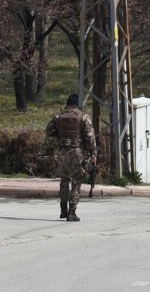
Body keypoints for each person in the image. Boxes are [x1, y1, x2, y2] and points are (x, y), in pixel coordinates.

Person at [45, 94, 97, 222]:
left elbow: (49, 131)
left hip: (62, 152)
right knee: (76, 181)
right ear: (78, 104)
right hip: (77, 152)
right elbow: (90, 138)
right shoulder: (83, 117)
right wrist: (93, 154)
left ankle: (63, 210)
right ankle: (72, 212)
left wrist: (60, 137)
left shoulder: (58, 117)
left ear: (67, 104)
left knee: (64, 180)